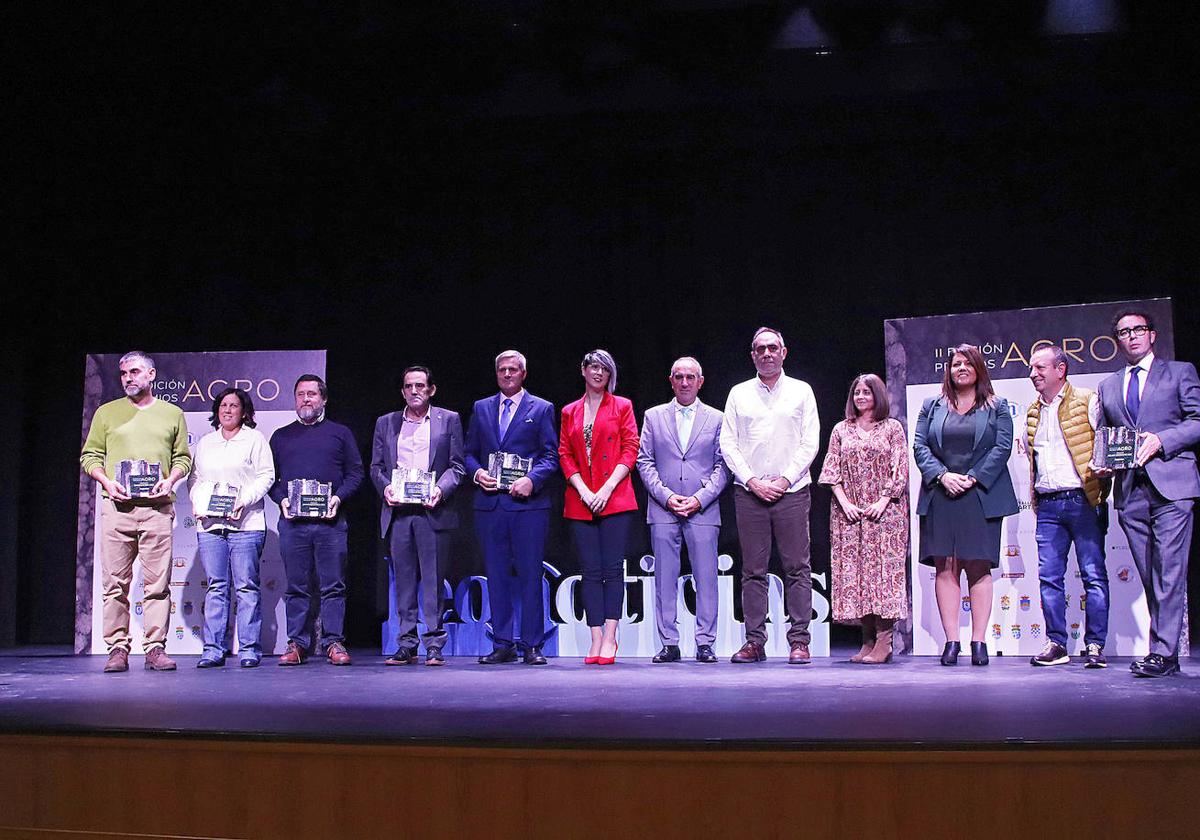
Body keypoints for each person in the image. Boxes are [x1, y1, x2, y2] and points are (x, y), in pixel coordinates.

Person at [1096, 309, 1200, 677]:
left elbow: (1197, 421)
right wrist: (1104, 462)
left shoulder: (1180, 372)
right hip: (1131, 492)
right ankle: (1164, 649)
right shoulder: (1109, 386)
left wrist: (1161, 440)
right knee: (1149, 573)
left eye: (1138, 329)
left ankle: (1164, 652)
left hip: (1172, 486)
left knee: (1169, 570)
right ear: (1118, 341)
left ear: (1152, 335)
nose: (1132, 336)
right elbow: (1106, 438)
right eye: (1124, 332)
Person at [80, 351, 192, 673]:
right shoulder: (106, 413)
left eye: (135, 371)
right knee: (115, 585)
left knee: (158, 585)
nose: (129, 377)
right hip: (118, 509)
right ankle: (117, 648)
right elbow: (91, 457)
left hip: (157, 509)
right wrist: (106, 481)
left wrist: (169, 479)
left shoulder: (172, 414)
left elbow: (182, 458)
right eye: (124, 373)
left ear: (151, 374)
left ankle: (155, 649)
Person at [913, 344, 1018, 666]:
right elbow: (919, 445)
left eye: (966, 363)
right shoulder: (931, 405)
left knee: (978, 565)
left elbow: (1001, 448)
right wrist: (942, 476)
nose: (960, 368)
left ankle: (978, 641)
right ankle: (951, 642)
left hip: (980, 494)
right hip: (940, 494)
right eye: (955, 363)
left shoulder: (997, 406)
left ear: (978, 369)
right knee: (945, 565)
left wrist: (972, 478)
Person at [720, 327, 820, 664]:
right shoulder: (738, 394)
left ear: (784, 352)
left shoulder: (801, 391)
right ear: (752, 355)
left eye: (772, 348)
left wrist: (785, 478)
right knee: (753, 571)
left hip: (792, 491)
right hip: (749, 493)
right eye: (760, 349)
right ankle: (755, 642)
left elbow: (810, 441)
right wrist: (751, 480)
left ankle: (800, 642)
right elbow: (728, 444)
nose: (766, 353)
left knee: (797, 568)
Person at [465, 351, 559, 666]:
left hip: (528, 506)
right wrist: (477, 473)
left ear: (523, 373)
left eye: (513, 369)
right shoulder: (481, 408)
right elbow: (469, 453)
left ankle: (533, 644)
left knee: (531, 575)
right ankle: (503, 643)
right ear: (496, 374)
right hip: (491, 505)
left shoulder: (542, 408)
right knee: (497, 575)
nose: (507, 374)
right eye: (502, 370)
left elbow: (551, 455)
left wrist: (532, 480)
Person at [636, 356, 729, 663]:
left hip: (703, 509)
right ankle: (669, 643)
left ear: (700, 381)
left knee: (706, 579)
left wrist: (700, 498)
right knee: (664, 578)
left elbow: (723, 465)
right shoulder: (653, 416)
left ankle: (705, 642)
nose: (685, 382)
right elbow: (644, 461)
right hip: (664, 509)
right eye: (679, 377)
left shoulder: (716, 418)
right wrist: (666, 496)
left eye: (691, 377)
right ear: (671, 380)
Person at [370, 366, 465, 666]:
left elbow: (457, 466)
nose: (414, 391)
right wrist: (385, 489)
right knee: (404, 582)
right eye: (409, 386)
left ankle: (434, 643)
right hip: (398, 512)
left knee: (433, 581)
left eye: (420, 386)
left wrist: (440, 489)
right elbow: (376, 468)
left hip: (431, 511)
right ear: (402, 391)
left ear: (431, 390)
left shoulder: (448, 420)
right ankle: (406, 644)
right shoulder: (386, 423)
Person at [268, 374, 363, 666]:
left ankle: (333, 641)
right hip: (293, 524)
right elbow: (270, 479)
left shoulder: (340, 433)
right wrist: (282, 499)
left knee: (333, 586)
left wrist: (338, 498)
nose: (306, 399)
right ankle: (297, 643)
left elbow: (355, 473)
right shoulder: (281, 436)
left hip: (331, 524)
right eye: (300, 394)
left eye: (312, 394)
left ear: (323, 399)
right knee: (296, 586)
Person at [1025, 346, 1110, 669]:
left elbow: (1104, 441)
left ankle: (1094, 645)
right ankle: (1057, 643)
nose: (1033, 374)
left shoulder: (1087, 400)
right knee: (1049, 577)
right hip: (1048, 505)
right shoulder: (1033, 411)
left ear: (1060, 370)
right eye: (1032, 369)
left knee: (1093, 575)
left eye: (1040, 368)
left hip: (1083, 501)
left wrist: (1103, 476)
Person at [817, 374, 908, 665]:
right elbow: (831, 471)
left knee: (883, 575)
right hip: (850, 514)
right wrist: (845, 503)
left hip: (886, 514)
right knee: (857, 576)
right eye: (856, 392)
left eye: (867, 392)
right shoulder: (841, 430)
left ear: (877, 396)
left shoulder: (892, 428)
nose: (860, 397)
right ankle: (867, 640)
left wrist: (883, 500)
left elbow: (900, 469)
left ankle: (884, 641)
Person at [559, 349, 639, 665]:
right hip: (580, 500)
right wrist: (582, 488)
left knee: (611, 569)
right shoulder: (569, 411)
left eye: (604, 369)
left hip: (615, 498)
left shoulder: (622, 406)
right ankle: (594, 638)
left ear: (610, 375)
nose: (598, 373)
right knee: (589, 571)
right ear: (583, 370)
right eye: (593, 367)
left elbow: (631, 448)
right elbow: (564, 454)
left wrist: (605, 489)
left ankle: (610, 636)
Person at [188, 387, 275, 668]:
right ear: (216, 411)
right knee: (216, 586)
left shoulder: (255, 440)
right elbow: (195, 479)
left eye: (234, 406)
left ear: (244, 411)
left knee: (246, 587)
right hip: (211, 525)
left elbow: (266, 476)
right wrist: (198, 503)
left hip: (246, 524)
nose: (227, 410)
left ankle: (249, 649)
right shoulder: (206, 443)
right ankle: (213, 649)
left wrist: (244, 500)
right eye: (223, 405)